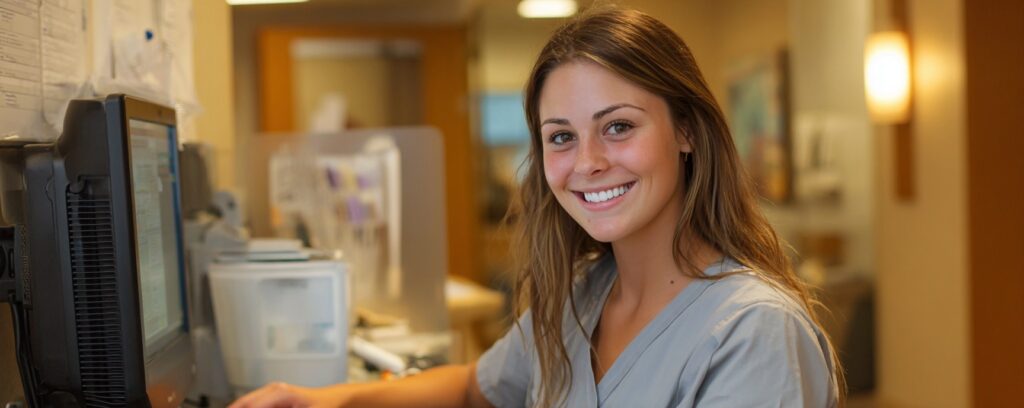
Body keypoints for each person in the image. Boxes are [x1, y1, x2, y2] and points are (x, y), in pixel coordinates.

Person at [230, 6, 843, 408]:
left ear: (685, 130)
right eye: (561, 136)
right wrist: (324, 400)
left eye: (619, 126)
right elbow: (477, 390)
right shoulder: (582, 297)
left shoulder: (752, 333)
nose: (588, 161)